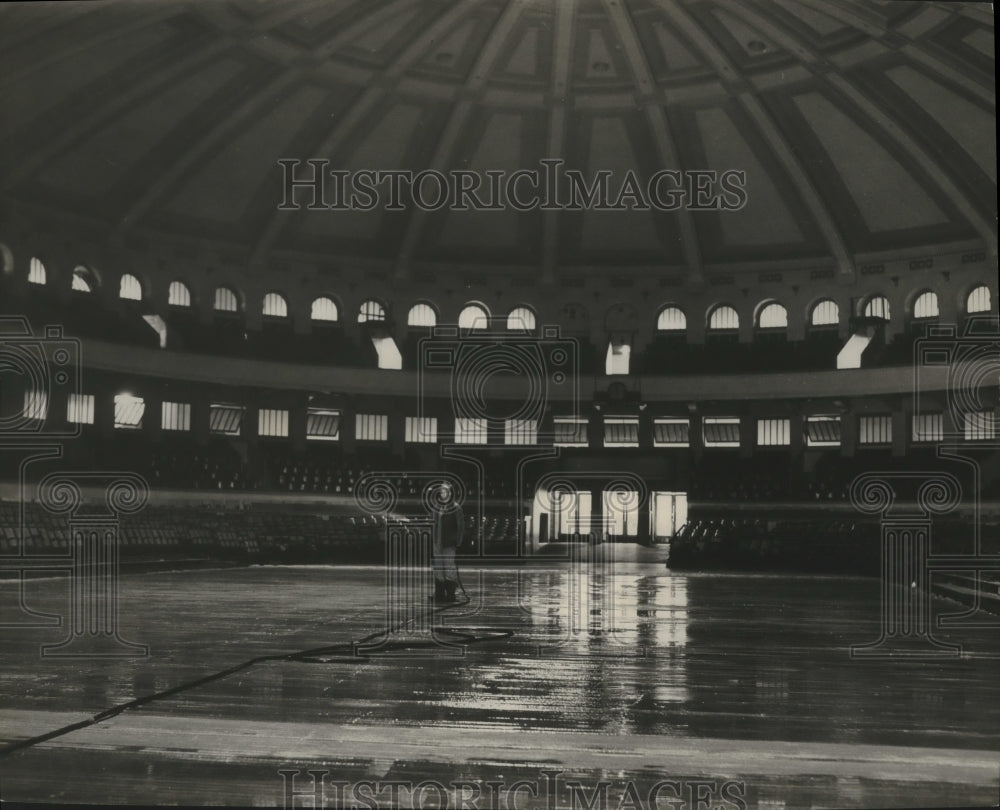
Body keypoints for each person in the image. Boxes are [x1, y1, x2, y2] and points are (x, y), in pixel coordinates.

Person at [431, 482, 464, 603]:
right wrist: (433, 540)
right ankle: (439, 593)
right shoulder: (436, 507)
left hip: (449, 542)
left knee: (449, 566)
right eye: (442, 491)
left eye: (445, 491)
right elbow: (433, 524)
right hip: (437, 542)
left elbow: (460, 526)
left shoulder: (456, 508)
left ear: (450, 493)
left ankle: (450, 594)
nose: (443, 494)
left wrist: (458, 541)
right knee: (438, 568)